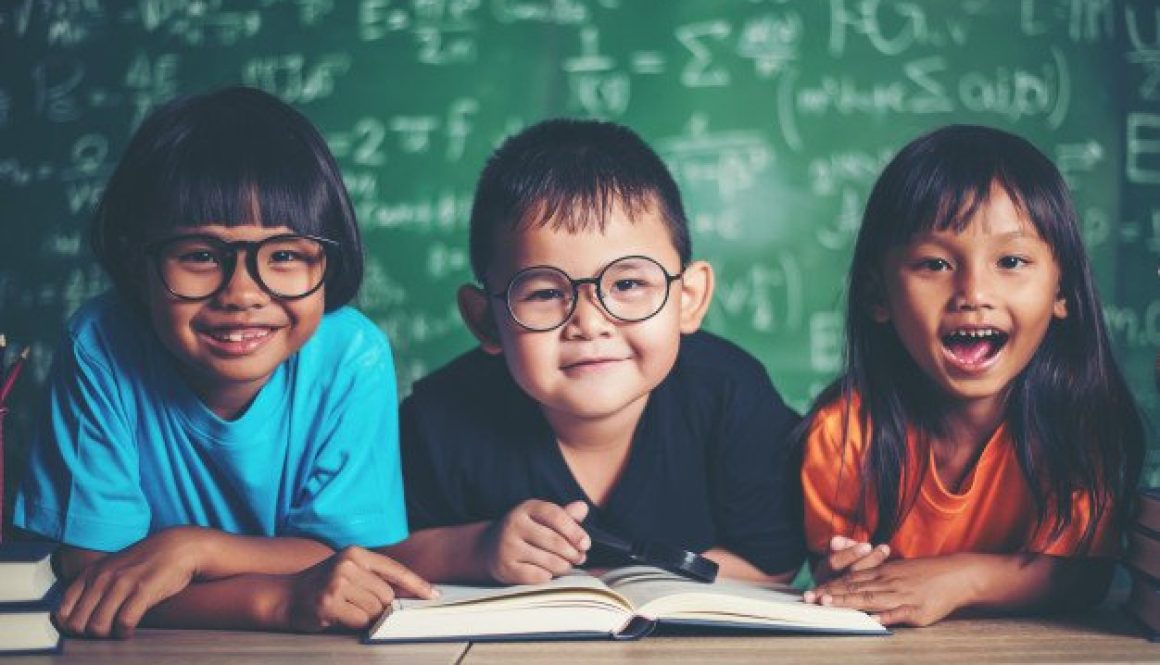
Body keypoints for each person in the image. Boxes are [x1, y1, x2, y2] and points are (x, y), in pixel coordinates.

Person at [13, 86, 435, 638]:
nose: (241, 293)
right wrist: (275, 601)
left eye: (284, 255)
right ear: (138, 262)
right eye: (201, 256)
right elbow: (93, 578)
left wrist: (193, 551)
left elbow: (344, 553)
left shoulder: (352, 357)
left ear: (331, 260)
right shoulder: (101, 346)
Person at [386, 119, 804, 585]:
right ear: (485, 319)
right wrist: (475, 550)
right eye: (544, 293)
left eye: (627, 284)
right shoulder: (439, 421)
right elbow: (374, 554)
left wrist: (636, 584)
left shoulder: (731, 396)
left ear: (688, 298)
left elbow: (775, 564)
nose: (589, 322)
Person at [799, 124, 1144, 626]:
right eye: (935, 263)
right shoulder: (843, 432)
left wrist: (956, 579)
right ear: (879, 297)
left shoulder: (1079, 421)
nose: (973, 292)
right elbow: (831, 575)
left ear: (1061, 291)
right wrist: (846, 572)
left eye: (1010, 260)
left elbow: (1086, 575)